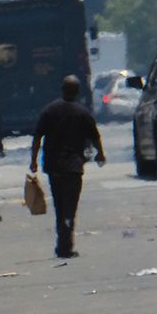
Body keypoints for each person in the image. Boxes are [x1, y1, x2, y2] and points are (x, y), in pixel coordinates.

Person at [30, 76, 105, 259]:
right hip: (73, 168)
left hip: (54, 167)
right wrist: (100, 154)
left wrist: (33, 161)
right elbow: (95, 137)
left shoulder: (49, 111)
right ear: (77, 91)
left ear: (62, 89)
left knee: (59, 205)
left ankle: (62, 244)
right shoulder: (82, 113)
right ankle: (66, 245)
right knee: (70, 207)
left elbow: (37, 137)